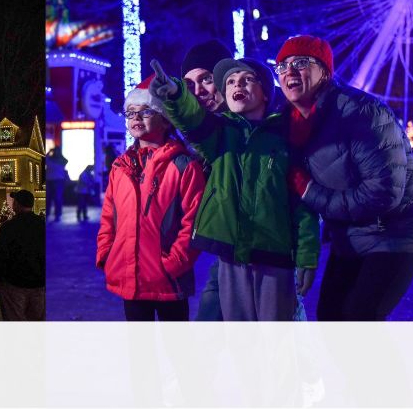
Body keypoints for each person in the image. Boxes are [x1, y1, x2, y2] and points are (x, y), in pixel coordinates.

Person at [273, 35, 413, 321]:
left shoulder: (362, 114)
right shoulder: (286, 123)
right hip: (352, 233)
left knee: (359, 320)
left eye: (301, 63)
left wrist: (308, 190)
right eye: (283, 65)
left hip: (400, 229)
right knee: (330, 318)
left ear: (325, 71)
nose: (290, 71)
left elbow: (384, 193)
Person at [151, 56, 321, 320]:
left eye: (247, 79)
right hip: (232, 258)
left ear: (265, 93)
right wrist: (175, 93)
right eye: (230, 82)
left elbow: (302, 206)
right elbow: (193, 118)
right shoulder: (220, 134)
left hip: (275, 258)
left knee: (277, 342)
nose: (236, 84)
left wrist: (307, 256)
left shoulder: (286, 138)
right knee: (241, 340)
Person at [96, 77, 206, 321]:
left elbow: (194, 223)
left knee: (176, 352)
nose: (136, 118)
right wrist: (106, 253)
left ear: (165, 119)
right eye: (130, 112)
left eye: (145, 111)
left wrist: (173, 264)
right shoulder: (120, 166)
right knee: (140, 353)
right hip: (130, 279)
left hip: (168, 282)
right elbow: (108, 217)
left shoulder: (183, 166)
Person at [172, 39, 233, 321]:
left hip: (267, 255)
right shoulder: (196, 141)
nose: (198, 92)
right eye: (189, 84)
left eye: (207, 79)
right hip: (227, 252)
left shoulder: (253, 124)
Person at [0, 190, 46, 320]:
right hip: (38, 282)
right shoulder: (42, 226)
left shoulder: (8, 228)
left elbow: (1, 255)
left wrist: (0, 278)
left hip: (14, 283)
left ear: (17, 204)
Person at [46, 146, 68, 222]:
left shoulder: (61, 160)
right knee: (53, 198)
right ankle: (54, 214)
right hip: (53, 181)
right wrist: (50, 151)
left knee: (55, 198)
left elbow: (45, 158)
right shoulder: (61, 160)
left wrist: (50, 151)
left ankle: (56, 215)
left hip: (54, 180)